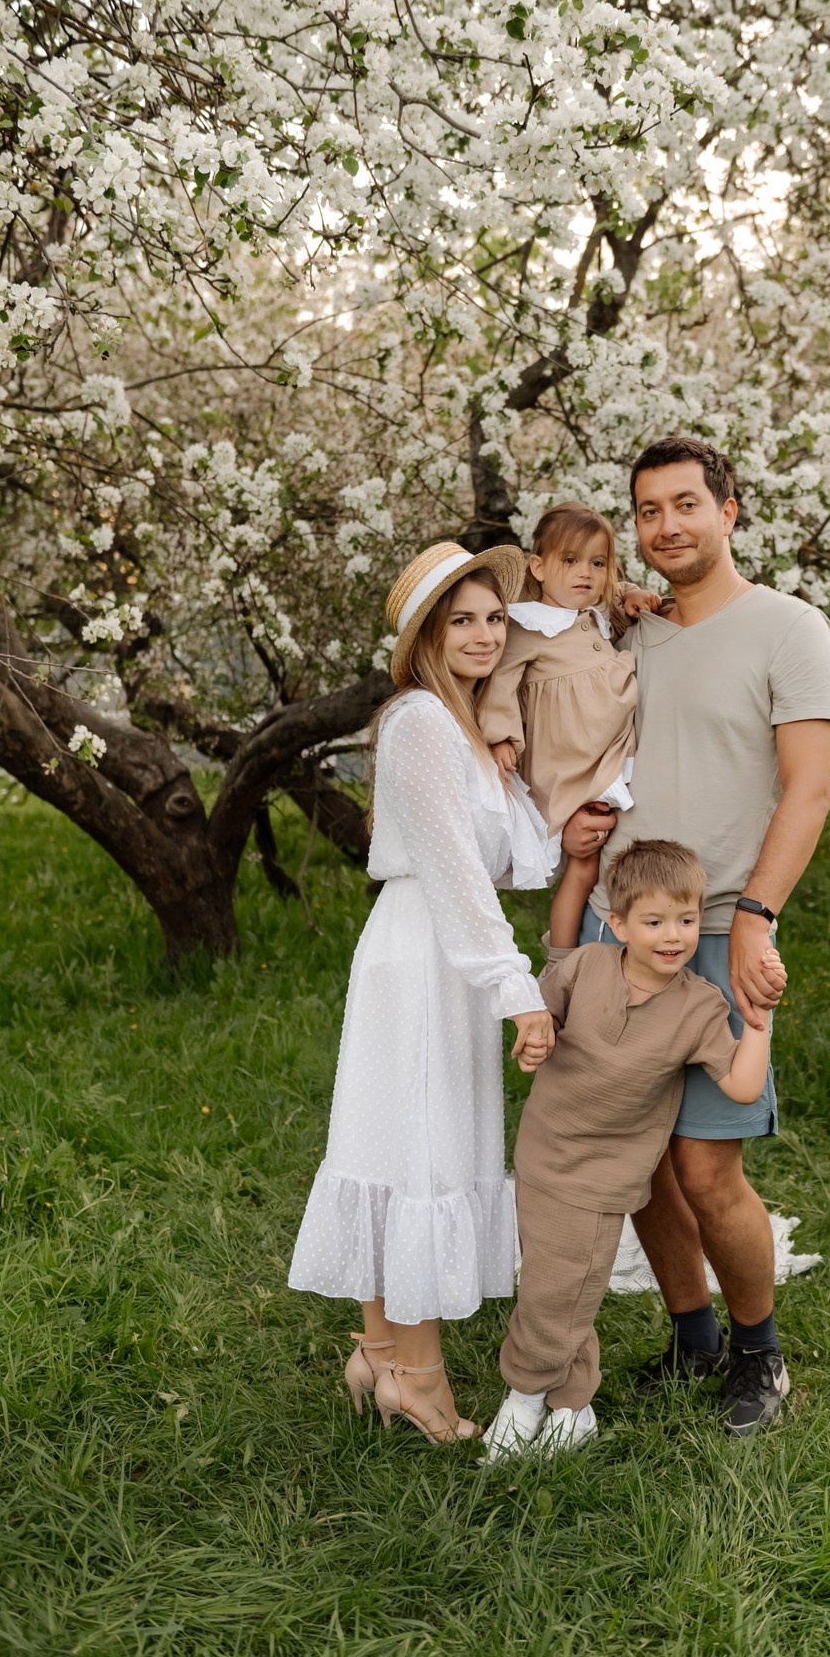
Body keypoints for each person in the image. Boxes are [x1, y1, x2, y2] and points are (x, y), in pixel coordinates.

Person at [562, 435, 830, 1437]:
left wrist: (758, 915)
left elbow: (807, 790)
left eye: (686, 503)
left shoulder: (788, 629)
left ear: (730, 510)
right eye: (648, 511)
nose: (667, 525)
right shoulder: (626, 634)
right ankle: (692, 1341)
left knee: (704, 1167)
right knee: (637, 1163)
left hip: (720, 926)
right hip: (617, 932)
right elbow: (518, 601)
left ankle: (759, 1355)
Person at [288, 541, 558, 1445]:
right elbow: (454, 876)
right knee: (419, 1155)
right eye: (461, 621)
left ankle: (379, 1355)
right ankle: (421, 1380)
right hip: (425, 950)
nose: (483, 635)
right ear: (425, 637)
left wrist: (513, 762)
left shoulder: (467, 728)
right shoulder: (418, 724)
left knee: (404, 1148)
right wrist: (517, 988)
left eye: (492, 618)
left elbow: (523, 858)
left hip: (446, 950)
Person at [483, 840, 786, 1461]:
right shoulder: (588, 966)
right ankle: (572, 1403)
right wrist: (532, 1041)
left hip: (604, 1174)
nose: (673, 937)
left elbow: (742, 1085)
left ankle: (525, 1393)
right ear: (618, 923)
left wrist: (760, 1019)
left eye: (686, 920)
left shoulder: (699, 1007)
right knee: (557, 1280)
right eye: (653, 922)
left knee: (561, 1285)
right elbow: (542, 1013)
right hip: (543, 1154)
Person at [477, 501, 658, 948]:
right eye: (571, 561)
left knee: (597, 859)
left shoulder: (592, 615)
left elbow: (617, 600)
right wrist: (501, 737)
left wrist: (629, 592)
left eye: (598, 563)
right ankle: (560, 954)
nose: (586, 573)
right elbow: (500, 682)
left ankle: (609, 938)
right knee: (582, 863)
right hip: (570, 758)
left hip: (609, 746)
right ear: (538, 566)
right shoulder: (527, 625)